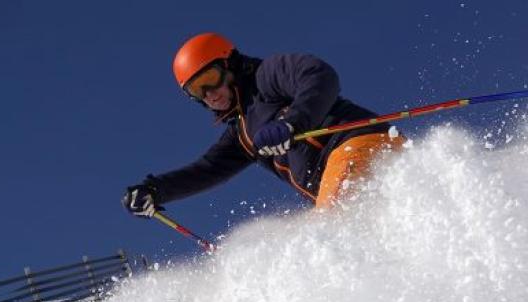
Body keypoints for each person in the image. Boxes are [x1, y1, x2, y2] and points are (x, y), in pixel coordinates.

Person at [122, 33, 405, 218]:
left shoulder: (266, 77)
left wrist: (292, 123)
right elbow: (207, 170)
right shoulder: (243, 135)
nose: (209, 94)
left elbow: (319, 76)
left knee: (333, 235)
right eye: (198, 91)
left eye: (210, 79)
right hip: (333, 183)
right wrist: (156, 190)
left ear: (230, 64)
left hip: (357, 144)